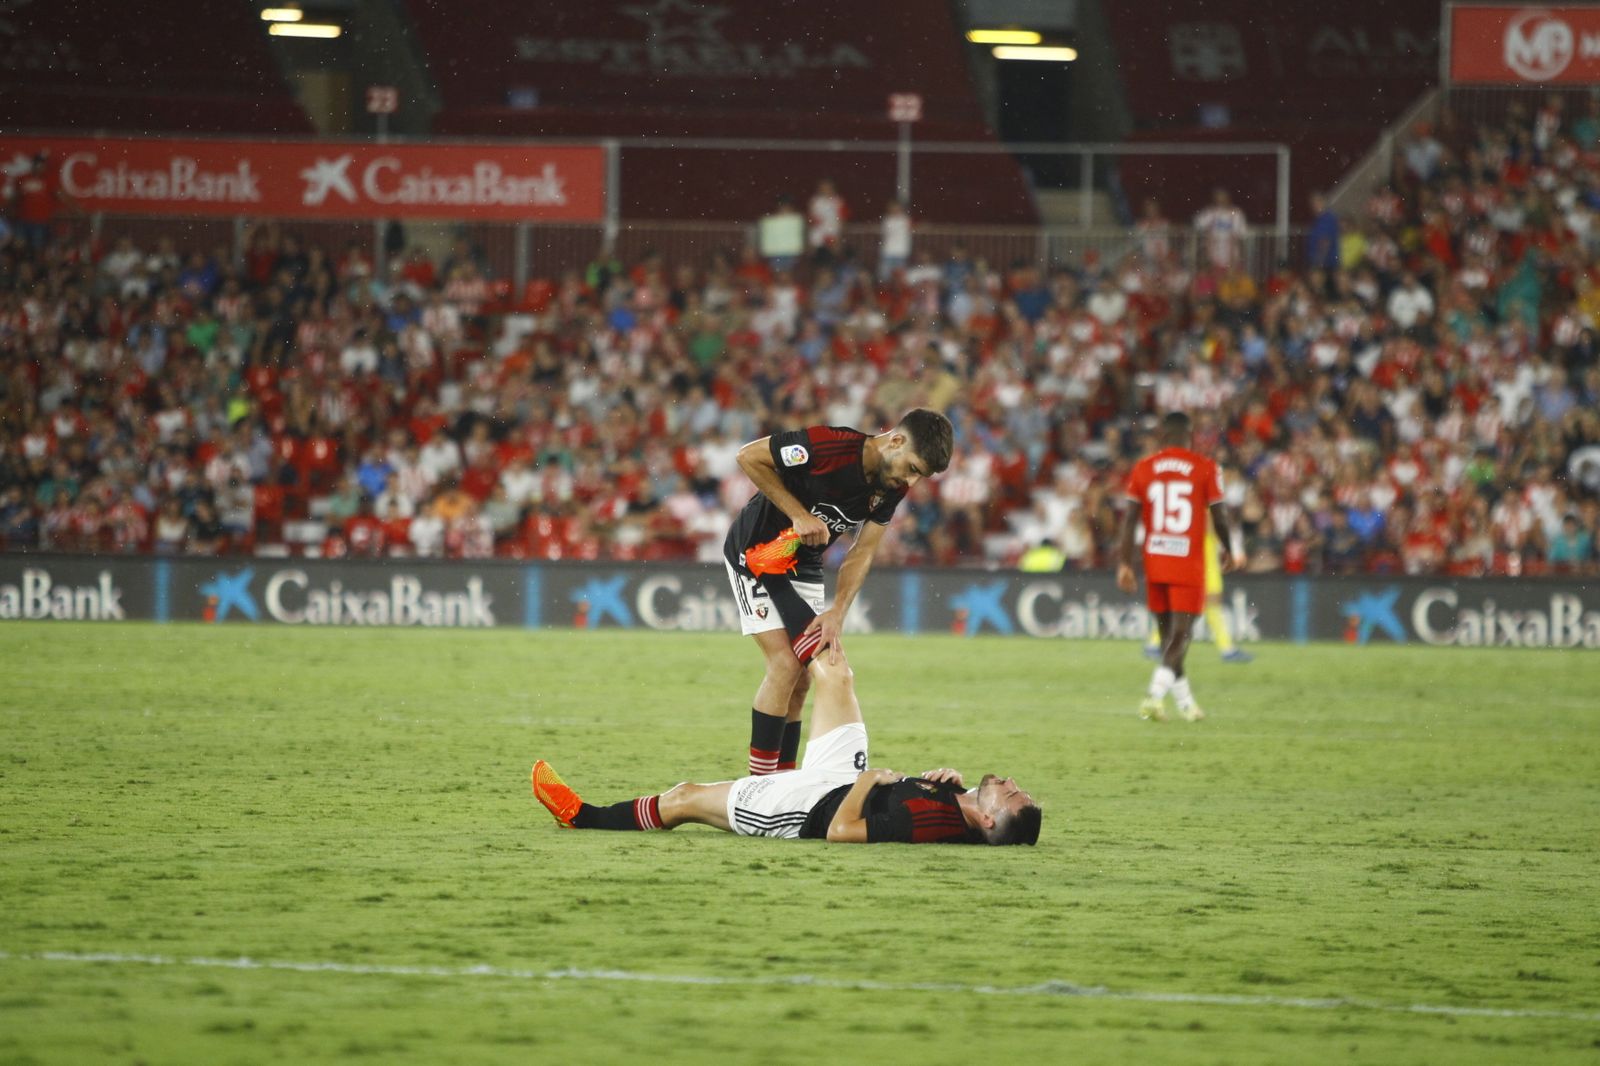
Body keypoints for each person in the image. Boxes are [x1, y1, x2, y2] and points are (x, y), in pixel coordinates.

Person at [531, 647, 1040, 846]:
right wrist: (941, 782)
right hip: (843, 777)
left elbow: (841, 831)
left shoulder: (932, 826)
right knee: (835, 673)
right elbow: (910, 797)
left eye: (1012, 795)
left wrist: (868, 781)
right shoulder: (959, 802)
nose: (1012, 783)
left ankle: (581, 816)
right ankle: (782, 584)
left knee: (685, 798)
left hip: (808, 808)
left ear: (989, 820)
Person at [724, 409, 952, 776]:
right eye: (912, 468)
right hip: (756, 552)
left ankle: (783, 782)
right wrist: (798, 514)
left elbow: (862, 552)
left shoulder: (891, 486)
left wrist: (838, 612)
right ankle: (757, 789)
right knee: (785, 664)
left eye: (919, 476)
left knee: (802, 681)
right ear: (896, 441)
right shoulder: (828, 447)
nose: (910, 481)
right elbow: (748, 456)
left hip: (804, 561)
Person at [1117, 412, 1236, 722]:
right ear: (1190, 436)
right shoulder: (1206, 468)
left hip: (1155, 560)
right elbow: (1220, 516)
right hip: (1187, 563)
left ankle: (1186, 705)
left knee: (1169, 637)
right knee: (1181, 636)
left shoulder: (1143, 468)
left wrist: (1124, 563)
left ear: (1163, 436)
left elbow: (1129, 521)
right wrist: (1228, 547)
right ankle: (1153, 697)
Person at [1143, 508, 1253, 664]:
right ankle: (1227, 650)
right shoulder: (1205, 510)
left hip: (1202, 565)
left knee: (1199, 608)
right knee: (1204, 607)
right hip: (1203, 567)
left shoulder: (1197, 509)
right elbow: (1213, 527)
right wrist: (1233, 549)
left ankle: (1154, 644)